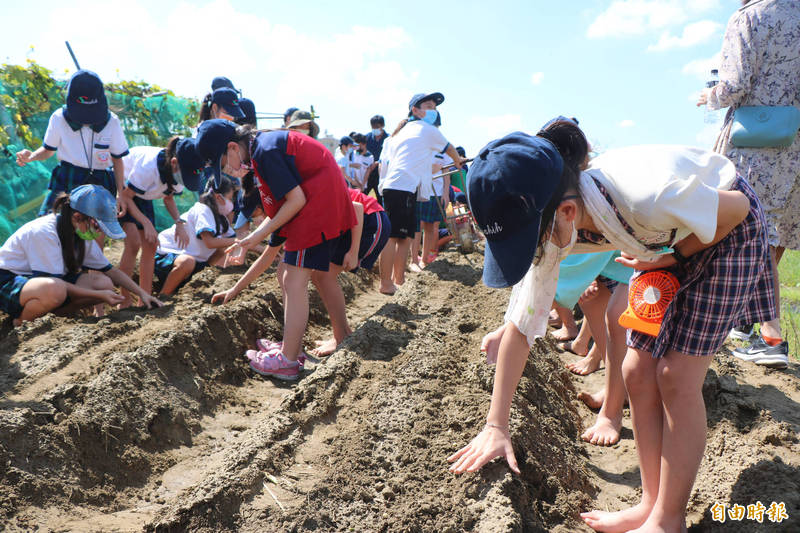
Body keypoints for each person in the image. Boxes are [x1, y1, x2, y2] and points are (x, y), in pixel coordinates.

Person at [448, 124, 776, 533]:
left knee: (676, 376)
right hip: (662, 244)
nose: (534, 255)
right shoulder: (555, 221)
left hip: (728, 234)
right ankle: (650, 504)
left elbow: (739, 209)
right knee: (636, 372)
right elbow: (519, 327)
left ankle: (667, 520)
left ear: (567, 213)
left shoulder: (646, 196)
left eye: (526, 244)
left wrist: (674, 257)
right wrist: (496, 426)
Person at [196, 119, 356, 381]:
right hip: (315, 205)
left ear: (234, 147)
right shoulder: (262, 151)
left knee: (293, 280)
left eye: (224, 163)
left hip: (317, 207)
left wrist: (257, 234)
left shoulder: (265, 151)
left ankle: (288, 361)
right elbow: (285, 209)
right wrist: (251, 239)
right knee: (285, 275)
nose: (228, 171)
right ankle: (291, 347)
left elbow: (297, 200)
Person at [698, 0, 800, 369]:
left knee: (750, 224)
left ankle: (771, 335)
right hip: (796, 143)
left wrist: (710, 96)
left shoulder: (749, 17)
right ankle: (744, 319)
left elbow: (733, 86)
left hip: (757, 143)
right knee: (778, 230)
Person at [0, 185, 162, 326]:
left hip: (43, 284)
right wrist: (98, 296)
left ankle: (55, 317)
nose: (98, 232)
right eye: (97, 225)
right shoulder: (44, 232)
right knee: (55, 290)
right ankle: (21, 321)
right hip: (9, 280)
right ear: (78, 217)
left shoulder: (81, 234)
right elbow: (55, 284)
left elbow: (111, 271)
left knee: (103, 283)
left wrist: (143, 294)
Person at [377, 92, 462, 294]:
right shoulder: (426, 129)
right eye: (429, 106)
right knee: (392, 237)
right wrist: (458, 162)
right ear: (415, 110)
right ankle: (385, 283)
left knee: (404, 237)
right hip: (401, 187)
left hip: (401, 187)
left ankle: (399, 280)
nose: (433, 111)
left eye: (435, 107)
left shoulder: (404, 132)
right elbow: (450, 149)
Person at [16, 70, 129, 220]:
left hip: (101, 180)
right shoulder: (58, 118)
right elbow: (48, 150)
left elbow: (117, 160)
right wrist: (31, 156)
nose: (87, 118)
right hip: (68, 177)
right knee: (51, 224)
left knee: (95, 231)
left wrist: (120, 193)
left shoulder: (112, 121)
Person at [117, 137, 206, 306]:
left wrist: (179, 223)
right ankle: (124, 299)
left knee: (150, 245)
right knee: (133, 243)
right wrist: (146, 223)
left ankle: (145, 299)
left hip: (141, 195)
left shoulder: (177, 175)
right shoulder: (148, 167)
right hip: (122, 190)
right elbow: (127, 197)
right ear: (174, 163)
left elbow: (168, 199)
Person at [154, 176, 237, 295]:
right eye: (230, 198)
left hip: (194, 262)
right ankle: (164, 295)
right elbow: (210, 242)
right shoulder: (203, 210)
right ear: (219, 197)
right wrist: (237, 240)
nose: (231, 203)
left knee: (223, 247)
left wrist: (266, 250)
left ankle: (184, 284)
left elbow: (241, 241)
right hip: (167, 253)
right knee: (187, 262)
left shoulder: (220, 218)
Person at [364, 115, 387, 203]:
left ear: (382, 126)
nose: (375, 129)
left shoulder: (388, 138)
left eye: (377, 127)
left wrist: (377, 163)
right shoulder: (367, 138)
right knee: (364, 196)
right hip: (367, 172)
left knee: (380, 198)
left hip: (381, 174)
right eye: (373, 127)